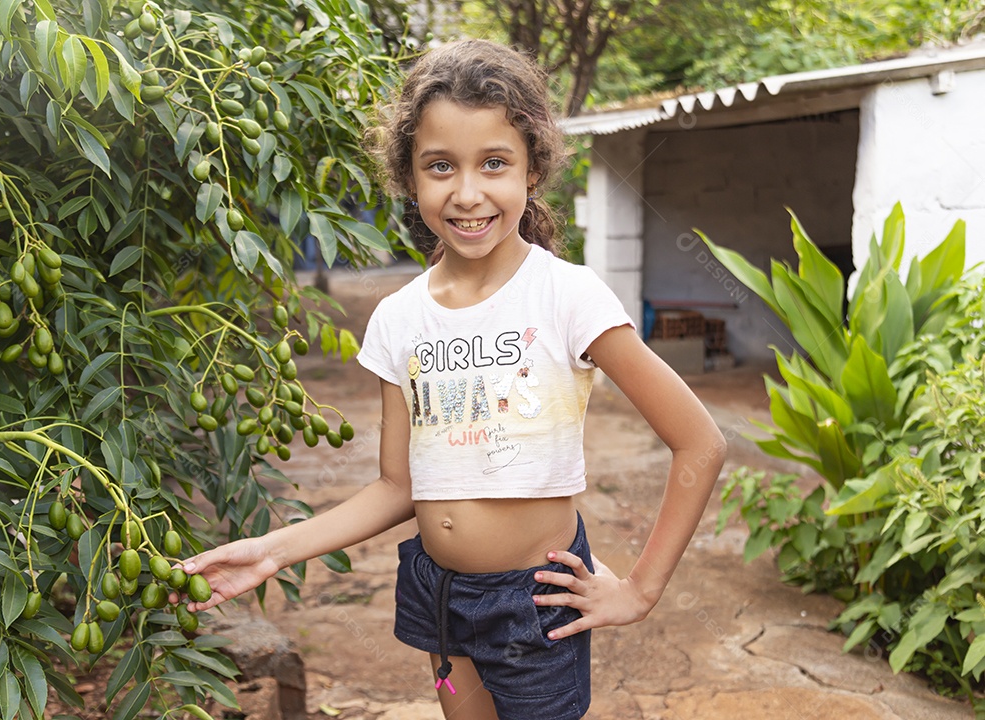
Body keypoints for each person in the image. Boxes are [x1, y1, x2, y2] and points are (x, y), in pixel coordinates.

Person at [173, 39, 727, 720]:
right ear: (410, 178)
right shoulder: (398, 319)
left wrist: (639, 590)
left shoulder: (568, 298)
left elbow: (700, 443)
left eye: (494, 163)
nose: (467, 193)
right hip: (439, 598)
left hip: (536, 602)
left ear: (533, 170)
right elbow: (398, 486)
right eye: (441, 166)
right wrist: (270, 552)